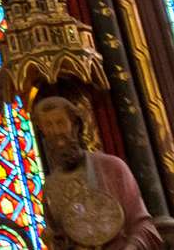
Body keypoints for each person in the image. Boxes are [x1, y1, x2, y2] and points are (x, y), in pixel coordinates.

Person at [32, 94, 159, 250]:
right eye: (48, 126)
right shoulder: (50, 188)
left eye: (61, 123)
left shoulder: (112, 168)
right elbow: (58, 240)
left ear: (75, 126)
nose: (56, 132)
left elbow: (144, 226)